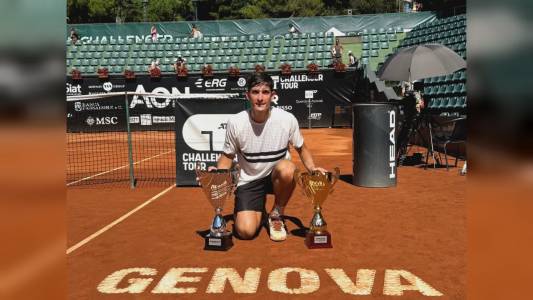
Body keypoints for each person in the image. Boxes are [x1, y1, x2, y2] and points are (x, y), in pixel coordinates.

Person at [210, 73, 326, 242]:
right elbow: (227, 156)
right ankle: (257, 211)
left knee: (288, 168)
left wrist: (313, 169)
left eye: (265, 92)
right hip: (249, 180)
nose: (260, 98)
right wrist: (218, 173)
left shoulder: (286, 119)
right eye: (255, 92)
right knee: (245, 232)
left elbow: (302, 148)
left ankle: (277, 214)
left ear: (273, 95)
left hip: (277, 177)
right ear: (247, 95)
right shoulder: (236, 122)